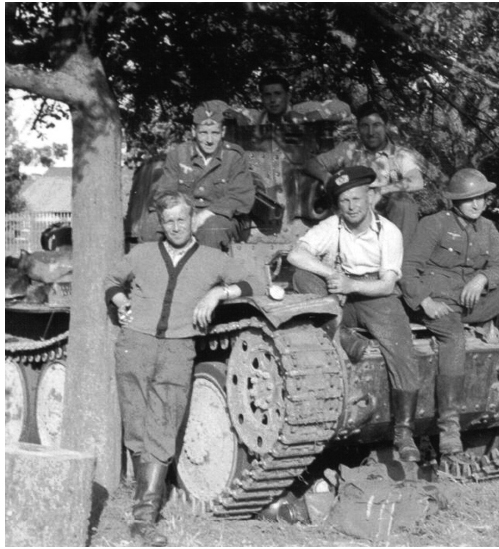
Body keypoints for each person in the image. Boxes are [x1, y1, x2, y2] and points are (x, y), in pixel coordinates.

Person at [104, 191, 255, 546]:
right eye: (168, 220)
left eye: (181, 219)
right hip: (134, 345)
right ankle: (141, 495)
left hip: (177, 349)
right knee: (137, 424)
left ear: (192, 221)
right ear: (160, 222)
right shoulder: (141, 254)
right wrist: (120, 298)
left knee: (162, 425)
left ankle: (143, 520)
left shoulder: (211, 259)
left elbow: (251, 282)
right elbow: (111, 278)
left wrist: (218, 294)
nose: (175, 226)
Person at [399, 168, 499, 467]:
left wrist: (482, 277)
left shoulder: (488, 228)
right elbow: (407, 268)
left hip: (472, 303)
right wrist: (425, 302)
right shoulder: (434, 225)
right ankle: (449, 427)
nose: (477, 204)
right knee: (453, 340)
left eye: (481, 197)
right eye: (469, 199)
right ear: (455, 200)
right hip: (440, 304)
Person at [287, 166, 421, 463]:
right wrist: (331, 273)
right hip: (341, 296)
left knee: (402, 350)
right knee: (302, 278)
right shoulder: (332, 226)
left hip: (376, 294)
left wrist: (352, 284)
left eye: (357, 199)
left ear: (370, 198)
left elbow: (387, 284)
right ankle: (343, 336)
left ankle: (404, 431)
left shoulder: (388, 232)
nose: (351, 207)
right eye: (345, 200)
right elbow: (296, 254)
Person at [304, 101, 424, 241]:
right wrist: (327, 178)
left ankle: (404, 260)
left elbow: (417, 181)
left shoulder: (400, 154)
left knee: (404, 203)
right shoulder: (348, 150)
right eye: (365, 126)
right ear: (358, 128)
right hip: (354, 212)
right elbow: (311, 164)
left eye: (376, 125)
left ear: (386, 126)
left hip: (388, 217)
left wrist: (381, 191)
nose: (371, 132)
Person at [153, 100, 256, 250]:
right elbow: (165, 193)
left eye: (214, 133)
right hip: (183, 213)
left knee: (211, 230)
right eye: (203, 133)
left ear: (223, 132)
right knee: (152, 225)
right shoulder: (178, 154)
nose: (209, 140)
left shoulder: (234, 157)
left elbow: (240, 197)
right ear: (194, 132)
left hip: (222, 217)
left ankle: (205, 273)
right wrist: (183, 217)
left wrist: (205, 214)